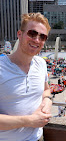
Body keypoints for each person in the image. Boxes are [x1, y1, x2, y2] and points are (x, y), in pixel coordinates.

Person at [0, 13, 52, 141]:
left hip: (38, 138)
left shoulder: (41, 64)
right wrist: (29, 121)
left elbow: (46, 90)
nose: (37, 40)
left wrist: (47, 100)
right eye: (32, 34)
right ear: (20, 34)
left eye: (42, 36)